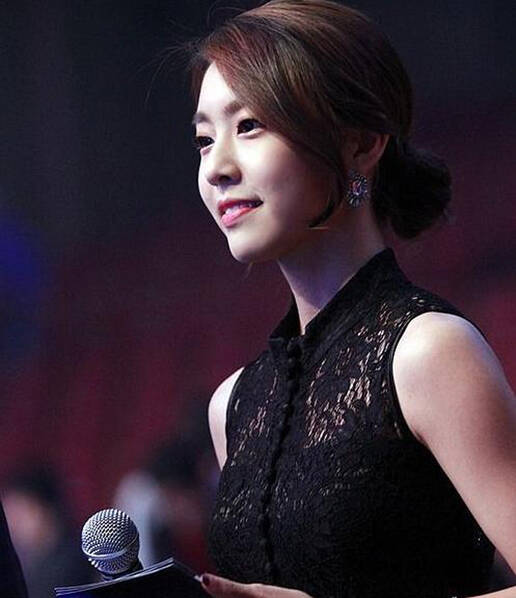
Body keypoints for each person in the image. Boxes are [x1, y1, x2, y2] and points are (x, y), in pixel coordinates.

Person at [185, 1, 516, 597]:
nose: (217, 169)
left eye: (250, 125)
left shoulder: (428, 351)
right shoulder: (232, 404)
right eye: (204, 140)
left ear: (361, 143)